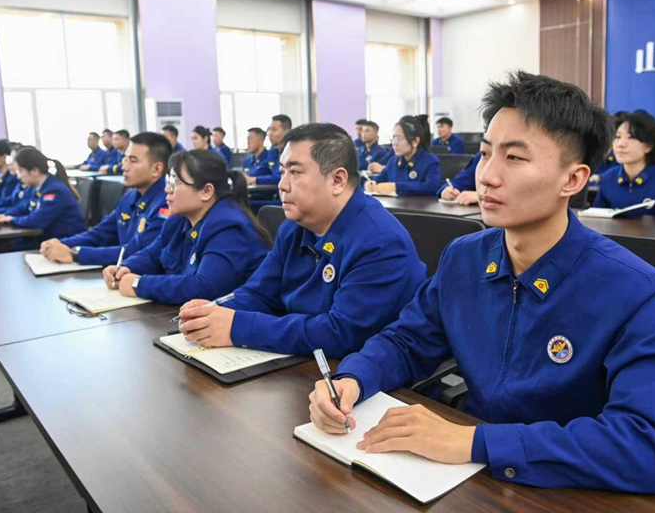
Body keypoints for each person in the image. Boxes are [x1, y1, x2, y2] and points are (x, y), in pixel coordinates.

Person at [307, 72, 655, 495]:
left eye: (515, 158)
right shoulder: (464, 257)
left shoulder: (636, 291)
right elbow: (408, 340)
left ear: (573, 180)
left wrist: (475, 442)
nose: (486, 175)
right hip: (469, 477)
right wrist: (353, 379)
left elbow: (646, 450)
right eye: (485, 153)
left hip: (565, 486)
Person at [175, 123, 426, 358]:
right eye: (282, 171)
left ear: (337, 180)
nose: (282, 185)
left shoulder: (379, 241)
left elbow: (341, 333)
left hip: (357, 374)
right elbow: (260, 293)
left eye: (294, 172)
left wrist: (237, 326)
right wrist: (215, 312)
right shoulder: (295, 226)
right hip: (303, 358)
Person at [104, 150, 270, 305]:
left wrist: (139, 284)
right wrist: (126, 268)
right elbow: (153, 255)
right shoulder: (179, 219)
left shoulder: (229, 227)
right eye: (169, 181)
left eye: (175, 183)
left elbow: (205, 287)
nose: (167, 189)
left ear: (206, 191)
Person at [40, 132, 171, 267]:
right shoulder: (130, 196)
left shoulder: (168, 203)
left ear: (156, 169)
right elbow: (100, 233)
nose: (124, 167)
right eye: (125, 159)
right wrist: (60, 244)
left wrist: (76, 254)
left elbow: (140, 251)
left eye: (133, 161)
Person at [593, 112, 655, 218]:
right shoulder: (608, 178)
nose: (620, 144)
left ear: (649, 146)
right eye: (618, 137)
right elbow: (597, 219)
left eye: (631, 137)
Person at [0, 148, 86, 241]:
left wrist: (11, 220)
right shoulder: (37, 187)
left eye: (20, 171)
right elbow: (23, 207)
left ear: (34, 171)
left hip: (64, 242)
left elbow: (37, 220)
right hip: (46, 238)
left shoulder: (54, 190)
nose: (18, 176)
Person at [366, 119, 442, 196]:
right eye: (394, 138)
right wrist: (372, 183)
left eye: (399, 139)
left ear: (415, 141)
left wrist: (396, 187)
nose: (394, 143)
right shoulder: (393, 161)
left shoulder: (430, 161)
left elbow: (432, 187)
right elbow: (380, 178)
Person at [245, 114, 291, 186]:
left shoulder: (291, 152)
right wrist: (243, 177)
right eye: (269, 130)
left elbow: (282, 177)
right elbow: (262, 169)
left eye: (274, 130)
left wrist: (255, 179)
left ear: (287, 132)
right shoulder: (272, 151)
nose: (269, 134)